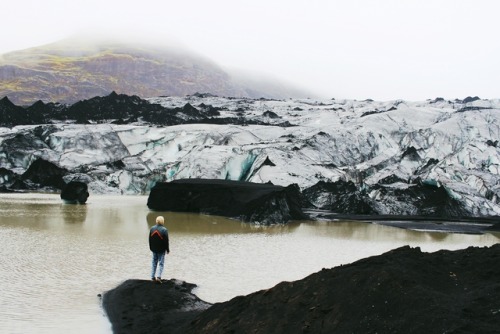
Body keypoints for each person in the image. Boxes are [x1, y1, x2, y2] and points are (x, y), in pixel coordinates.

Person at [149, 215, 170, 283]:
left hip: (154, 249)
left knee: (154, 263)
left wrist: (151, 248)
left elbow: (150, 239)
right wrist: (167, 249)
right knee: (161, 263)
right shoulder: (164, 230)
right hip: (161, 250)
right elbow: (166, 241)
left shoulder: (152, 228)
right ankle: (159, 277)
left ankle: (152, 277)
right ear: (162, 221)